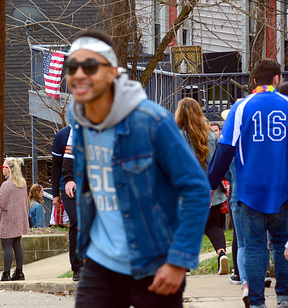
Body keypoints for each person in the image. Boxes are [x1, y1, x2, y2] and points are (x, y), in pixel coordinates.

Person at [62, 30, 210, 307]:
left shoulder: (152, 122)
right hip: (100, 262)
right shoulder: (79, 122)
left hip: (153, 261)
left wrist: (178, 260)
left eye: (90, 66)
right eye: (72, 67)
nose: (79, 74)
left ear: (112, 73)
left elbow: (197, 189)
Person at [208, 58, 288, 308]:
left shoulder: (241, 108)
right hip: (283, 190)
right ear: (278, 79)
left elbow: (224, 150)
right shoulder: (287, 105)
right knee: (281, 244)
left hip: (249, 192)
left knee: (254, 248)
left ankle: (256, 302)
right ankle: (284, 297)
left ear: (253, 80)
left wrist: (211, 185)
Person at [175, 98, 228, 274]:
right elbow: (217, 163)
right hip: (210, 189)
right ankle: (221, 254)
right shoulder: (211, 136)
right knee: (213, 226)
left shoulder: (176, 136)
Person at [0, 158, 30, 281]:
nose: (2, 170)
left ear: (9, 169)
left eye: (3, 167)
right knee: (17, 245)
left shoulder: (7, 185)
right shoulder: (22, 183)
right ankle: (19, 271)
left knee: (7, 247)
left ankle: (6, 273)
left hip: (8, 219)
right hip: (19, 218)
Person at [51, 125, 83, 279]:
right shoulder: (62, 135)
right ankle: (77, 267)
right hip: (67, 187)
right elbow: (56, 165)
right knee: (76, 221)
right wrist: (55, 193)